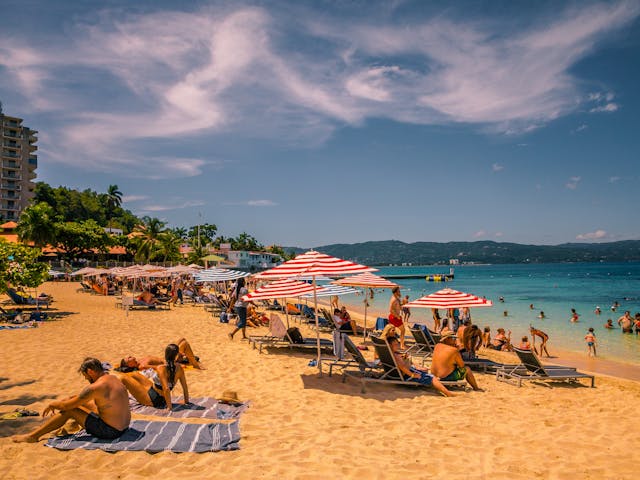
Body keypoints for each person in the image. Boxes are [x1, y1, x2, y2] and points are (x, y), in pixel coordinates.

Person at [12, 358, 131, 443]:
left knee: (70, 410)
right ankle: (61, 424)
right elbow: (83, 399)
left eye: (86, 376)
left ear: (90, 371)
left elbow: (66, 407)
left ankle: (33, 436)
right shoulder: (112, 378)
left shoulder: (95, 387)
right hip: (124, 426)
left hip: (111, 431)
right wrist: (69, 399)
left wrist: (52, 404)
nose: (86, 379)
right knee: (75, 401)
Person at [382, 326, 455, 397]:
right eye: (395, 344)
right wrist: (413, 375)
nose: (398, 345)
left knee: (425, 371)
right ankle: (448, 393)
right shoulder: (395, 357)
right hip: (407, 375)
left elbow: (401, 364)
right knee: (432, 377)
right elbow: (402, 366)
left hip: (401, 372)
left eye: (397, 343)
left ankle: (436, 382)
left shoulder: (390, 353)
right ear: (390, 346)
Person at [118, 343, 189, 411]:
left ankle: (114, 402)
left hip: (153, 400)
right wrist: (186, 401)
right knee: (135, 374)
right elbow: (185, 387)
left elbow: (166, 388)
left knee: (123, 378)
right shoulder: (180, 368)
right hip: (155, 392)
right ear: (176, 355)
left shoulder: (161, 368)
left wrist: (169, 407)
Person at [119, 338, 204, 370]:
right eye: (129, 358)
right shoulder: (142, 366)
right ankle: (195, 364)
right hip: (170, 361)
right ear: (130, 365)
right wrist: (177, 365)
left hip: (168, 357)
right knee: (184, 343)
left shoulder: (140, 360)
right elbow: (158, 367)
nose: (130, 356)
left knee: (182, 339)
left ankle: (188, 358)